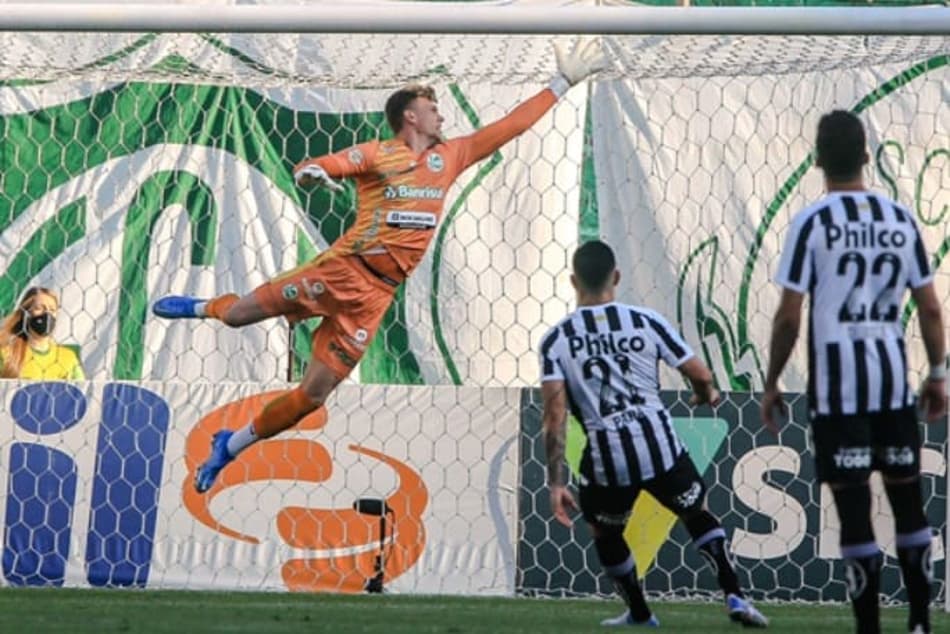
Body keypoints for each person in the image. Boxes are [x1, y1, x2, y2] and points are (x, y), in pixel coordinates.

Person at [151, 41, 607, 493]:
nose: (441, 116)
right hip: (340, 271)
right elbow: (321, 163)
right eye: (432, 108)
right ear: (410, 115)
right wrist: (314, 172)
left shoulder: (449, 158)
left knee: (311, 397)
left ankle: (229, 446)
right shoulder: (378, 153)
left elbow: (511, 126)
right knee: (236, 317)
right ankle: (202, 307)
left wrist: (561, 83)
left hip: (375, 297)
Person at [761, 110, 945, 634]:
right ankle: (919, 625)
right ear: (868, 156)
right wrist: (938, 372)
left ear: (818, 161)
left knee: (855, 515)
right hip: (891, 387)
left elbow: (790, 316)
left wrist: (773, 381)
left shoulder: (812, 223)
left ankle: (869, 629)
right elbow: (930, 308)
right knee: (909, 506)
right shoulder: (899, 218)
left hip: (838, 395)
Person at [539, 240, 768, 628]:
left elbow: (555, 415)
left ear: (573, 281)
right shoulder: (645, 321)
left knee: (605, 531)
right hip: (660, 448)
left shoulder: (557, 340)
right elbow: (701, 373)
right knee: (696, 512)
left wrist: (556, 481)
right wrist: (704, 395)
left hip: (607, 458)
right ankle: (735, 596)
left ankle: (641, 614)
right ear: (616, 276)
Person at [0, 286, 85, 380]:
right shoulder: (6, 354)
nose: (47, 314)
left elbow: (82, 391)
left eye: (52, 310)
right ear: (26, 313)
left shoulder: (68, 358)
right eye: (39, 308)